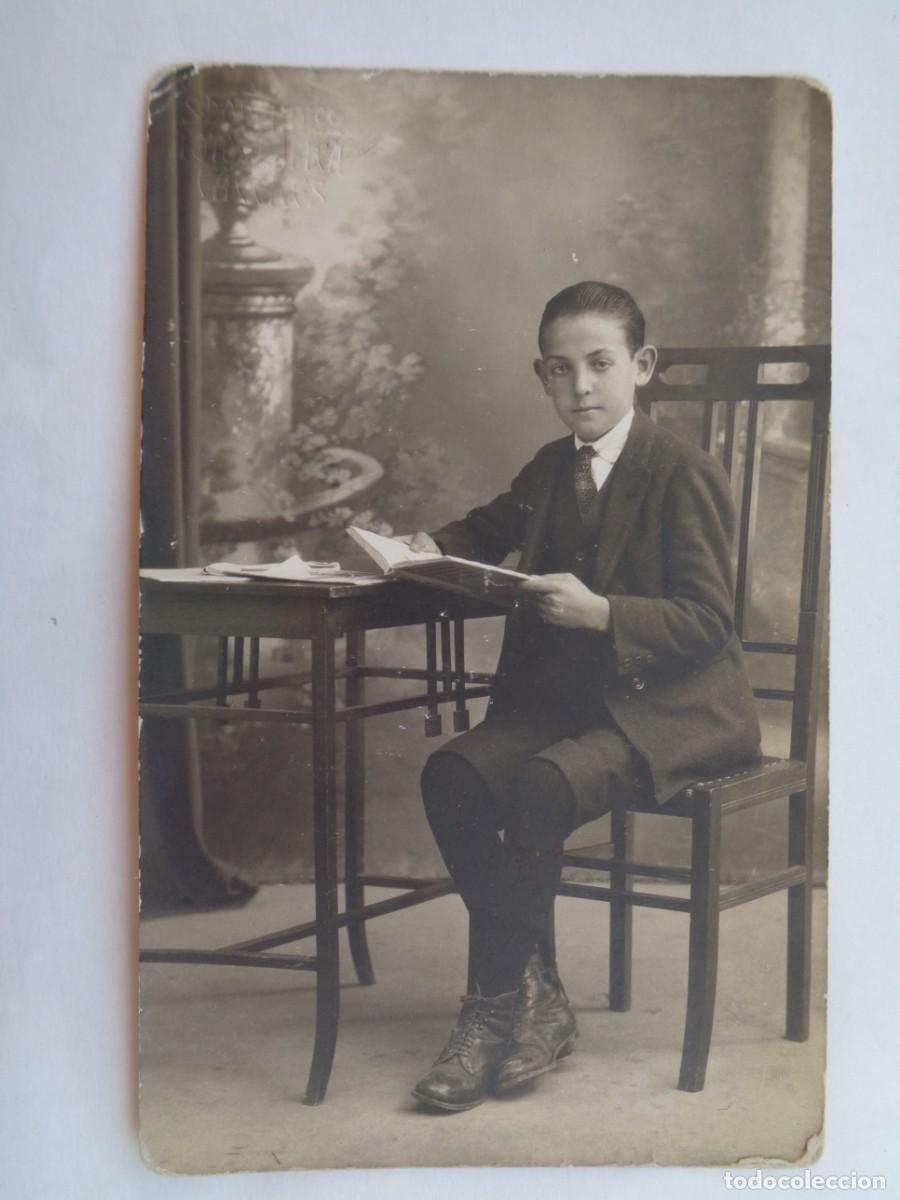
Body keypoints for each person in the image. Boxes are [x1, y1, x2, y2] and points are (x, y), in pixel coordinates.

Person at [401, 281, 762, 1112]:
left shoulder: (681, 473)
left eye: (600, 365)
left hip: (667, 712)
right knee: (453, 775)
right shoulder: (548, 470)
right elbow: (483, 530)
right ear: (542, 378)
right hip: (567, 708)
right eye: (561, 371)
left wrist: (604, 614)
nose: (583, 388)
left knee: (542, 785)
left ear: (641, 367)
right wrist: (426, 546)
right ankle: (531, 1000)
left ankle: (492, 1009)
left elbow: (710, 620)